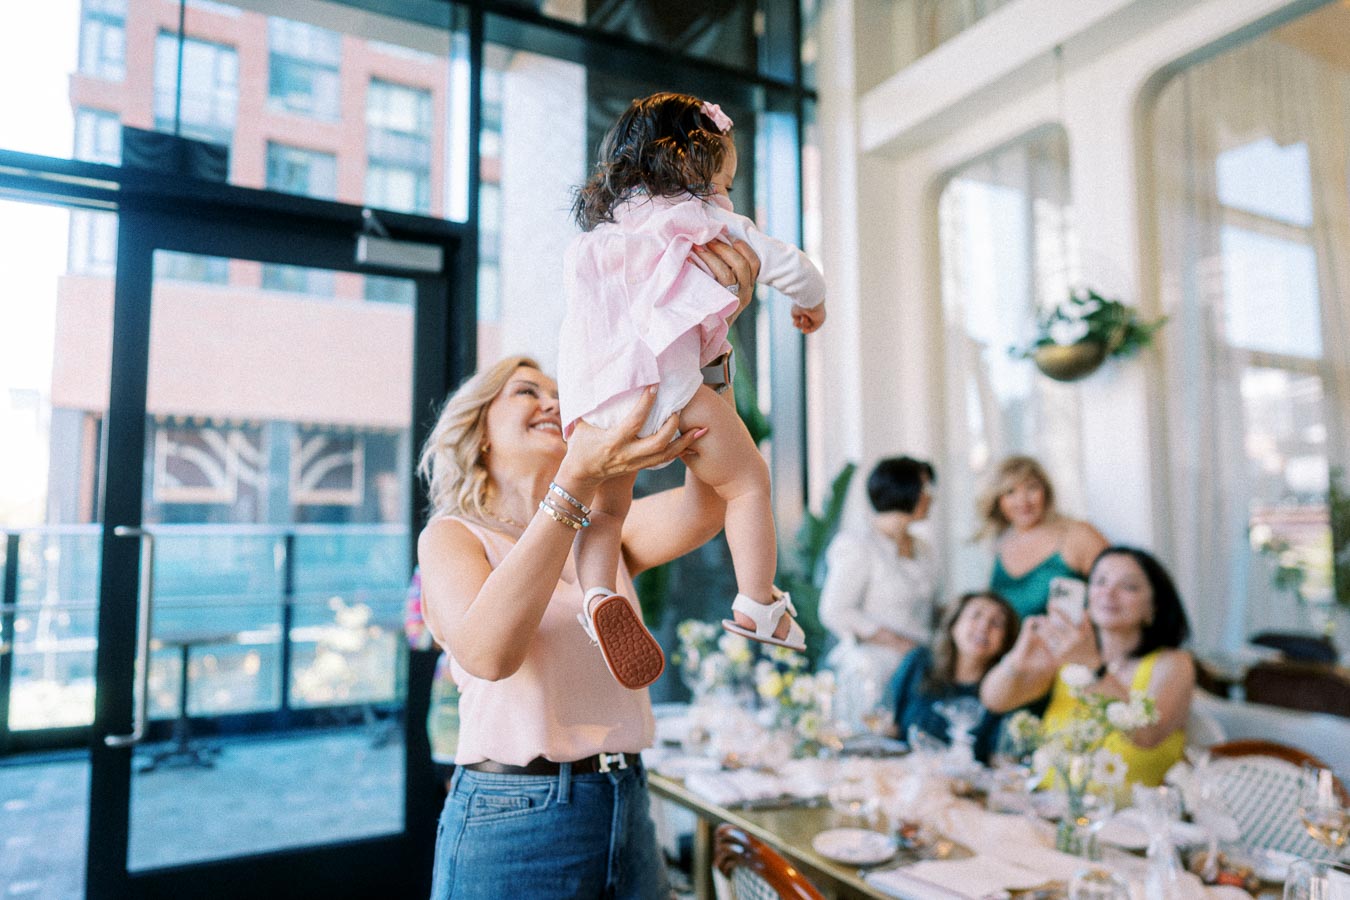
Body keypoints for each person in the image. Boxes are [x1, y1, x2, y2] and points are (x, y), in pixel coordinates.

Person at [417, 238, 757, 900]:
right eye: (525, 392)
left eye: (558, 391)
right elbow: (488, 653)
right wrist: (576, 480)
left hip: (627, 801)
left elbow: (707, 508)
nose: (550, 400)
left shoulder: (603, 531)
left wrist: (708, 359)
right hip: (516, 814)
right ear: (480, 432)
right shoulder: (453, 538)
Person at [558, 91, 828, 687]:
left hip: (596, 404)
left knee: (604, 515)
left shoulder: (598, 242)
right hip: (667, 388)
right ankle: (759, 603)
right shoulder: (702, 222)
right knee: (748, 482)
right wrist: (813, 302)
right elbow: (792, 267)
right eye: (724, 181)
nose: (728, 196)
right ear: (692, 169)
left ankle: (600, 596)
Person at [979, 546, 1195, 786]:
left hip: (1130, 817)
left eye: (1128, 586)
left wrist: (1093, 666)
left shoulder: (1173, 662)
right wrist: (1017, 660)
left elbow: (1148, 734)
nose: (1108, 593)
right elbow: (994, 700)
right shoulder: (1066, 655)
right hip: (1049, 802)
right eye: (1100, 581)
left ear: (1154, 607)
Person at [819, 456, 939, 696]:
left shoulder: (923, 548)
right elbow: (834, 611)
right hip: (874, 670)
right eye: (924, 488)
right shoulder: (858, 545)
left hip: (920, 669)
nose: (930, 497)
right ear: (903, 490)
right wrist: (900, 644)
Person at [887, 591, 1020, 764]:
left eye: (996, 623)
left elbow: (1000, 763)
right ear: (953, 624)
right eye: (976, 615)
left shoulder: (1005, 692)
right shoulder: (919, 661)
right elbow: (888, 726)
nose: (984, 626)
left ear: (1005, 641)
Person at [976, 455, 1108, 619]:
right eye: (1010, 491)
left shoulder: (1077, 534)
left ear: (1046, 491)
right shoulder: (998, 544)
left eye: (1031, 488)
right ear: (998, 501)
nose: (1022, 500)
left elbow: (1115, 586)